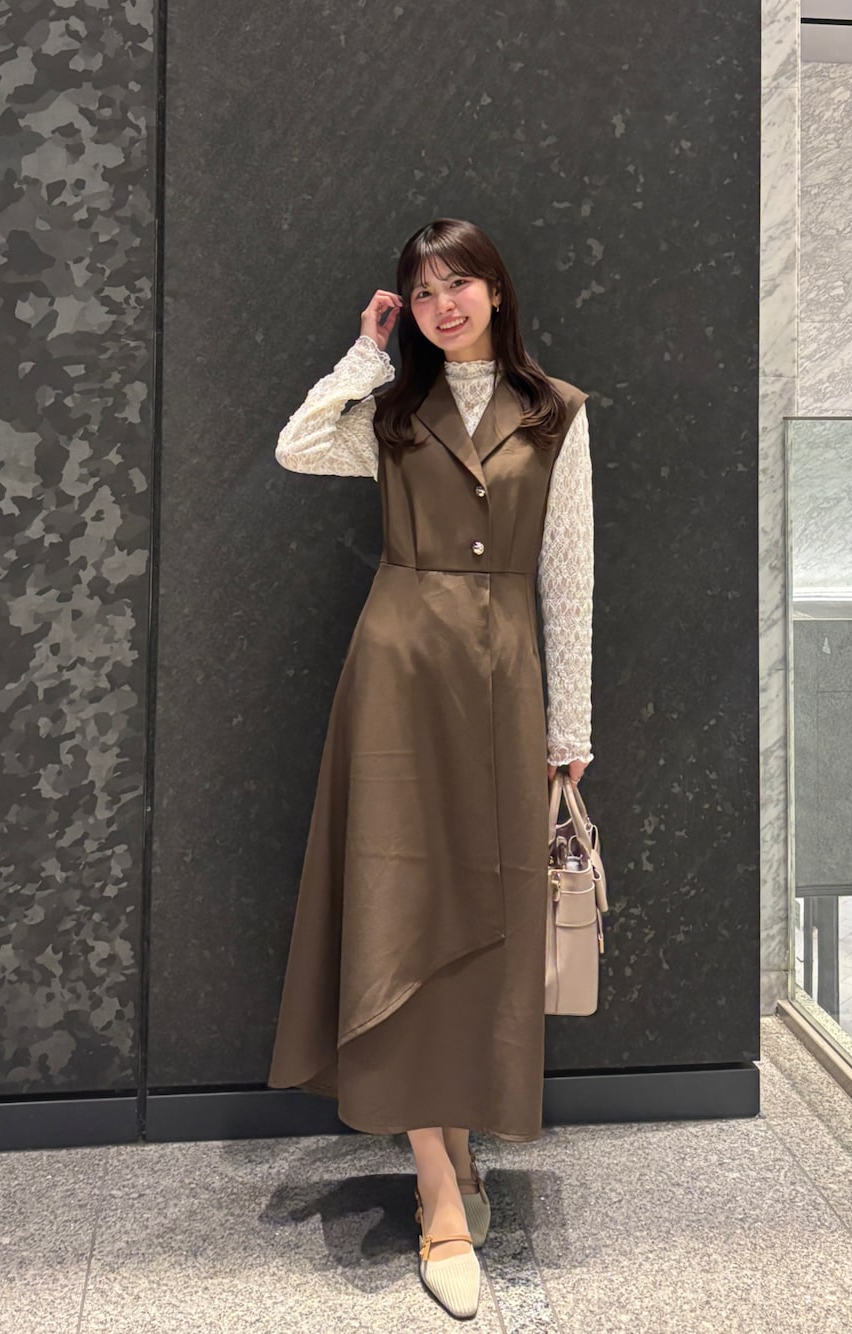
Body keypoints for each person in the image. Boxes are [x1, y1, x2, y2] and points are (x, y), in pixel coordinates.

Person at [267, 217, 594, 1319]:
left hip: (503, 683)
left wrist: (569, 726)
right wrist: (364, 356)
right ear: (403, 309)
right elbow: (297, 445)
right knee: (399, 906)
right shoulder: (392, 413)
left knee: (484, 914)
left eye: (460, 283)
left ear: (496, 291)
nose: (443, 304)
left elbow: (570, 574)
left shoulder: (556, 412)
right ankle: (438, 1190)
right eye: (421, 291)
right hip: (398, 678)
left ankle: (456, 1143)